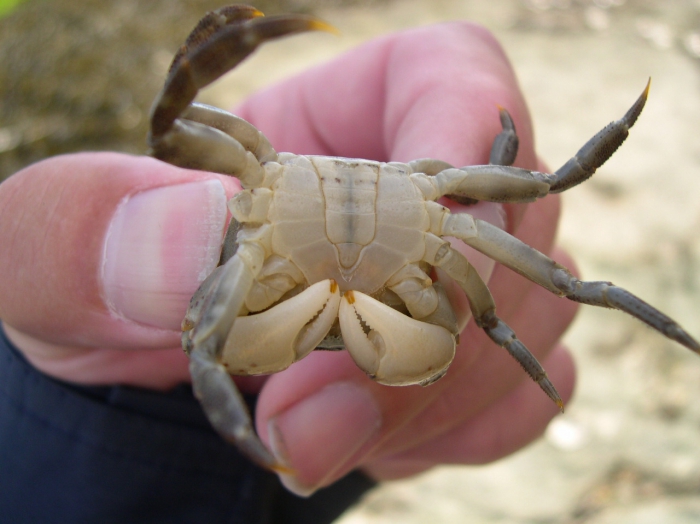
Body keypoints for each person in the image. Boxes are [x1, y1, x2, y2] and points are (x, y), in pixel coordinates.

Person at [0, 20, 577, 523]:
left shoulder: (282, 179)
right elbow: (170, 124)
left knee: (529, 278)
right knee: (208, 339)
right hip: (249, 336)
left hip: (209, 410)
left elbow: (544, 220)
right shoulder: (264, 177)